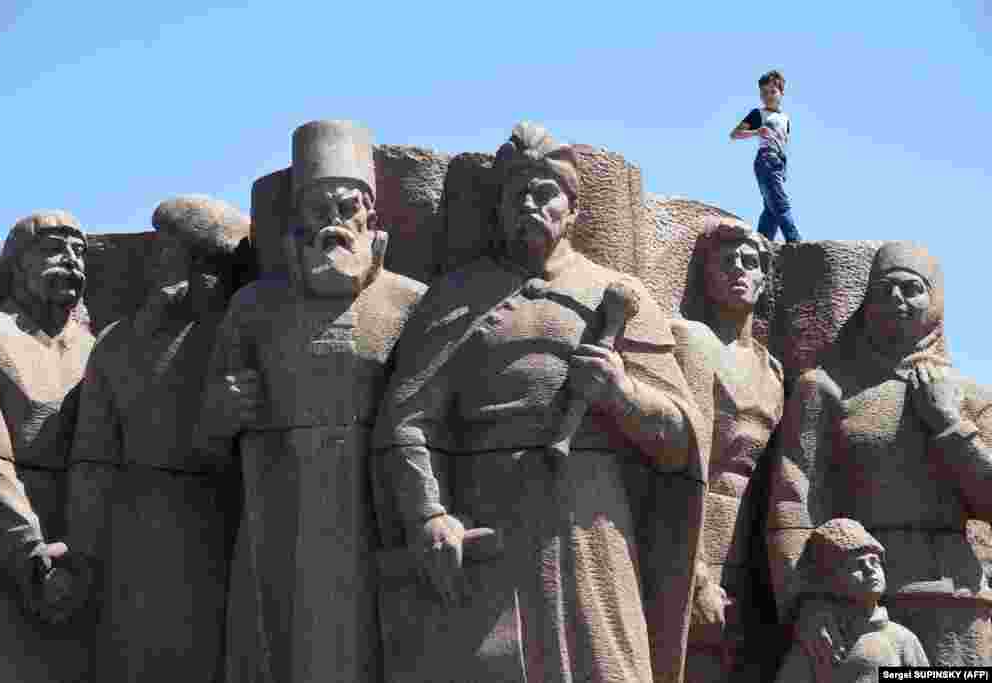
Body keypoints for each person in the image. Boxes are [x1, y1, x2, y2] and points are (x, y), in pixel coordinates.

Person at [372, 121, 709, 683]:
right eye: (515, 193)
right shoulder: (455, 297)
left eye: (546, 191)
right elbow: (407, 419)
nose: (531, 202)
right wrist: (428, 515)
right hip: (489, 520)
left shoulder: (618, 296)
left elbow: (681, 441)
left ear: (573, 209)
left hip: (592, 525)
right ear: (498, 209)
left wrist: (623, 396)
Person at [196, 120, 427, 683]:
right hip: (280, 513)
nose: (333, 223)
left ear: (372, 220)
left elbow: (433, 417)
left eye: (347, 207)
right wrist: (222, 414)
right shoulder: (253, 308)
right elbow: (205, 443)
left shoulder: (410, 303)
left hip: (372, 512)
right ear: (295, 221)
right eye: (317, 208)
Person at [768, 241, 992, 667]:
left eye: (912, 288)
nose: (896, 299)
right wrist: (807, 602)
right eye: (883, 289)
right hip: (864, 605)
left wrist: (949, 423)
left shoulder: (969, 397)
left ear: (936, 300)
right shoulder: (826, 389)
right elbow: (793, 504)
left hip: (959, 611)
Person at [66, 196, 249, 682]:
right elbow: (93, 458)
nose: (158, 264)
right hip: (134, 533)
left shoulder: (242, 333)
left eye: (174, 252)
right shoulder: (116, 344)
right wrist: (83, 552)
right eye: (160, 251)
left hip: (220, 524)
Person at [0, 211, 95, 682]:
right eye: (53, 248)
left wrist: (85, 556)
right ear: (17, 265)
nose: (71, 261)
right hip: (0, 557)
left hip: (79, 567)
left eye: (79, 252)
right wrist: (33, 560)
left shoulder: (92, 348)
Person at [672, 218, 784, 682]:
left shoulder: (772, 369)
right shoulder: (689, 342)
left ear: (763, 279)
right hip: (698, 522)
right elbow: (680, 460)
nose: (739, 269)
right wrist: (695, 569)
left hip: (751, 535)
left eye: (751, 261)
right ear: (706, 274)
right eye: (726, 261)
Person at [776, 518, 929, 682]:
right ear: (833, 580)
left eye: (874, 561)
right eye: (857, 565)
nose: (870, 570)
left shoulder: (902, 638)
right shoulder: (819, 641)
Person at [730, 69, 801, 243]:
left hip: (779, 163)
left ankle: (762, 243)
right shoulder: (758, 114)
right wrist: (756, 132)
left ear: (781, 92)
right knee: (780, 203)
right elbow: (735, 134)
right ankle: (795, 241)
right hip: (766, 160)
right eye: (763, 93)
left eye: (772, 92)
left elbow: (783, 143)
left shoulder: (785, 118)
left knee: (771, 210)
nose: (768, 96)